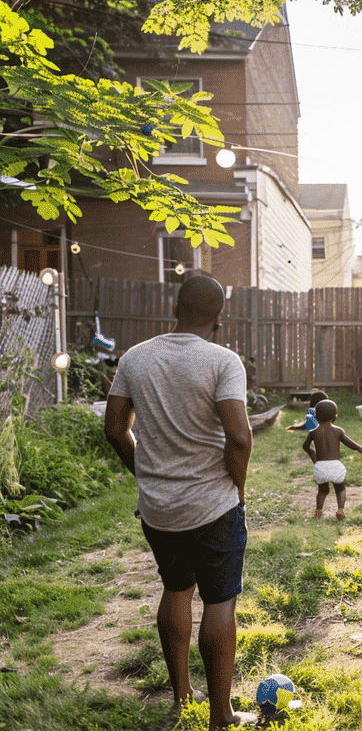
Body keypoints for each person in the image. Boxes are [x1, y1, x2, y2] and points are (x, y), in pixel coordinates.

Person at [104, 275, 257, 730]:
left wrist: (146, 474)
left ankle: (182, 694)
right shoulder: (222, 361)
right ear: (219, 316)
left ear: (175, 307)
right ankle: (221, 715)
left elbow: (114, 429)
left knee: (175, 588)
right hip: (212, 506)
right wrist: (238, 487)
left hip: (158, 509)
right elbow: (239, 436)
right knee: (219, 602)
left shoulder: (136, 357)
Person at [302, 399, 362, 520]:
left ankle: (318, 512)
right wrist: (358, 448)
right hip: (335, 466)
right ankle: (340, 509)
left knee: (323, 491)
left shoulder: (314, 431)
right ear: (334, 417)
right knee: (340, 489)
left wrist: (312, 455)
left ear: (316, 417)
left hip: (320, 467)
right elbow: (348, 443)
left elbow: (305, 447)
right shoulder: (338, 431)